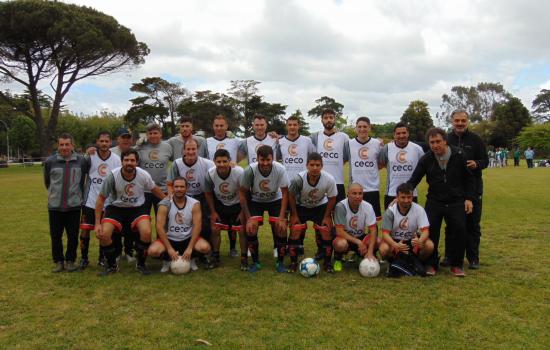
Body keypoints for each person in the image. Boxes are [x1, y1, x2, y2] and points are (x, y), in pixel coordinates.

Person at [406, 128, 474, 277]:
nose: (435, 145)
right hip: (435, 201)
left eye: (438, 142)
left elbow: (469, 178)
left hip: (456, 201)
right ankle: (431, 264)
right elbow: (413, 180)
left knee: (459, 230)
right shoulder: (426, 159)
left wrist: (469, 198)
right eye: (432, 142)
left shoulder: (459, 155)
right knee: (431, 232)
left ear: (445, 141)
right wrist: (401, 194)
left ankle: (456, 265)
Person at [94, 149, 166, 276]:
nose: (129, 163)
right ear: (121, 162)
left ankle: (141, 264)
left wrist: (168, 201)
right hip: (116, 208)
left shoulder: (143, 175)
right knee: (104, 234)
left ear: (137, 162)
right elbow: (101, 199)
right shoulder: (113, 176)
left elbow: (154, 189)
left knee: (147, 231)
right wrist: (97, 224)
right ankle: (112, 266)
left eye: (132, 160)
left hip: (137, 208)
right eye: (126, 160)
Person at [446, 110, 488, 269]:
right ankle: (450, 256)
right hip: (453, 190)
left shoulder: (476, 140)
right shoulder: (447, 139)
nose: (460, 123)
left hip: (474, 188)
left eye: (463, 120)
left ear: (467, 121)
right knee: (452, 225)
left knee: (472, 225)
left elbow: (486, 160)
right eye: (457, 120)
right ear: (452, 121)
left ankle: (473, 258)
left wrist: (476, 164)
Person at [239, 145, 289, 272]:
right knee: (250, 228)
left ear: (273, 158)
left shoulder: (280, 169)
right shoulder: (250, 170)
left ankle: (280, 262)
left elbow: (285, 193)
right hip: (256, 201)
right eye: (262, 160)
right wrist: (249, 218)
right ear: (257, 159)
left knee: (281, 228)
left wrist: (282, 217)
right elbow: (242, 194)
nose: (265, 163)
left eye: (268, 160)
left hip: (275, 200)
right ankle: (256, 262)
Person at [44, 133, 89, 272]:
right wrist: (54, 195)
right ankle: (58, 261)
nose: (64, 147)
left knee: (73, 236)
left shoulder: (81, 161)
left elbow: (83, 181)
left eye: (67, 144)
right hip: (55, 207)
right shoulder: (50, 161)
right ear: (58, 146)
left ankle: (70, 260)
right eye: (61, 144)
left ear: (72, 145)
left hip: (74, 206)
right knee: (56, 236)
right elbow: (47, 182)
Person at [167, 138, 215, 266]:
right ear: (184, 150)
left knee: (204, 225)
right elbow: (170, 183)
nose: (191, 151)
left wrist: (231, 165)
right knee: (184, 224)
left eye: (193, 149)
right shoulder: (177, 163)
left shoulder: (207, 163)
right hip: (183, 196)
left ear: (197, 149)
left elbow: (219, 172)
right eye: (188, 149)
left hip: (201, 196)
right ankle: (174, 251)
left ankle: (203, 254)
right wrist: (171, 198)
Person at [148, 177, 212, 273]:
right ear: (172, 188)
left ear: (187, 188)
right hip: (170, 238)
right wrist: (169, 249)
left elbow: (197, 226)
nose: (179, 189)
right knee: (153, 251)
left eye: (182, 187)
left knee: (205, 248)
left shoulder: (194, 203)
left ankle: (192, 258)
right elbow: (159, 227)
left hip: (187, 238)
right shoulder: (164, 204)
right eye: (176, 186)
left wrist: (190, 248)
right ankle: (167, 260)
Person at [287, 153, 337, 272]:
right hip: (301, 206)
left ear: (322, 166)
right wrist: (294, 215)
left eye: (318, 165)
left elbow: (332, 198)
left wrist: (327, 216)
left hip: (320, 206)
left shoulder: (329, 179)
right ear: (307, 165)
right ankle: (293, 262)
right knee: (296, 229)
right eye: (312, 165)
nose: (315, 168)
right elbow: (291, 196)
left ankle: (327, 263)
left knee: (326, 230)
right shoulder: (298, 179)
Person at [79, 131, 121, 269]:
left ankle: (101, 258)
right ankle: (84, 258)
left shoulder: (116, 159)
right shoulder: (90, 156)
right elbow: (81, 174)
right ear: (97, 142)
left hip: (107, 203)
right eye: (101, 141)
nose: (104, 144)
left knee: (104, 231)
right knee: (85, 230)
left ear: (110, 143)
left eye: (106, 141)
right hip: (90, 200)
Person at [204, 149, 246, 265]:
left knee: (241, 231)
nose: (221, 164)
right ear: (214, 162)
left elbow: (244, 193)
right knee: (215, 229)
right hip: (221, 204)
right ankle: (215, 256)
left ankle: (243, 258)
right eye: (218, 162)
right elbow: (208, 193)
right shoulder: (210, 174)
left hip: (237, 204)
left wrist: (243, 212)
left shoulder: (239, 172)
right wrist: (213, 212)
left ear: (229, 161)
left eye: (224, 161)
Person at [378, 183, 434, 265]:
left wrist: (420, 241)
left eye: (409, 197)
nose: (406, 200)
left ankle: (417, 262)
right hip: (395, 240)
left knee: (429, 245)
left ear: (412, 196)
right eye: (403, 197)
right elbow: (385, 234)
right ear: (397, 197)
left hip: (412, 241)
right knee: (383, 249)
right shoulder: (390, 211)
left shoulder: (419, 209)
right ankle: (394, 263)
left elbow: (425, 231)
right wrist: (395, 245)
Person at [332, 183, 378, 272]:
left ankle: (362, 255)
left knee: (378, 241)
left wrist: (370, 251)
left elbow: (373, 230)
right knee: (340, 244)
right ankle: (338, 258)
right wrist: (358, 242)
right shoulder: (340, 206)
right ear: (348, 194)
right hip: (345, 237)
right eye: (354, 193)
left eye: (360, 193)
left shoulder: (368, 206)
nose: (358, 196)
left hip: (360, 236)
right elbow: (339, 231)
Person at [378, 122, 424, 208]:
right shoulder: (387, 148)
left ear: (408, 133)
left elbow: (424, 167)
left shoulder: (417, 149)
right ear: (394, 135)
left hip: (411, 193)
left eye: (404, 133)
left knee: (411, 221)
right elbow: (380, 164)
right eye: (398, 133)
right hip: (391, 193)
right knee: (391, 220)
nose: (401, 135)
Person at [310, 109, 350, 203]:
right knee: (322, 214)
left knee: (338, 213)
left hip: (338, 182)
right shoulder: (315, 137)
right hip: (319, 182)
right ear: (321, 120)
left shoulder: (344, 137)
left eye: (331, 117)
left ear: (335, 119)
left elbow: (348, 155)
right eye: (326, 118)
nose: (328, 120)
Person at [348, 116, 383, 220]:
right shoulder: (349, 144)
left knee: (373, 221)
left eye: (365, 126)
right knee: (356, 219)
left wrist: (371, 169)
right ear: (356, 128)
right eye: (359, 126)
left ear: (369, 128)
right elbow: (344, 159)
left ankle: (373, 237)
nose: (362, 129)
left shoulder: (377, 144)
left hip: (372, 188)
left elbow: (381, 163)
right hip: (355, 188)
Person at [135, 123, 173, 215]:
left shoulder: (167, 147)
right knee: (142, 220)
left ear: (160, 134)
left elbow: (176, 162)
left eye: (155, 133)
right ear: (147, 135)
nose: (152, 135)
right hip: (144, 190)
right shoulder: (141, 146)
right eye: (150, 133)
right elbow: (128, 156)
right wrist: (137, 146)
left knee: (162, 221)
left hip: (162, 189)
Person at [278, 115, 316, 180]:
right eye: (290, 125)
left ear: (299, 126)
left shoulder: (307, 140)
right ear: (286, 126)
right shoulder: (280, 141)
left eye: (295, 125)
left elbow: (314, 158)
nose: (292, 127)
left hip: (304, 179)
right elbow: (277, 160)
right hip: (286, 180)